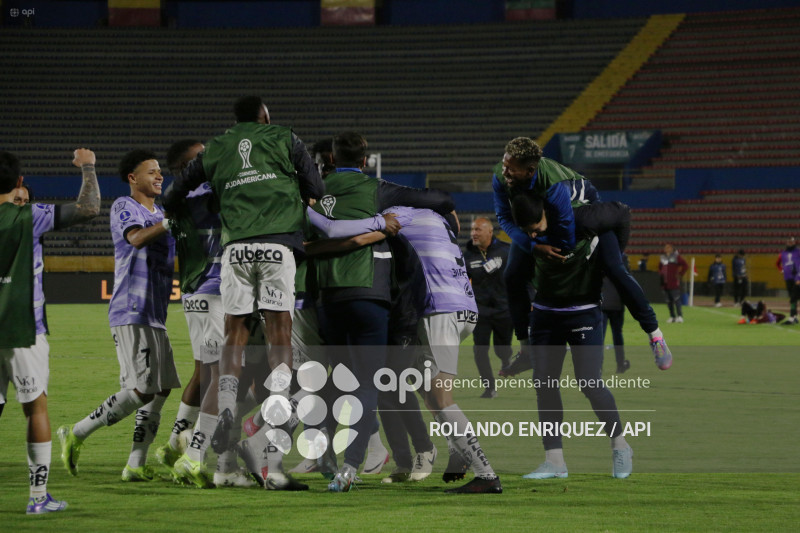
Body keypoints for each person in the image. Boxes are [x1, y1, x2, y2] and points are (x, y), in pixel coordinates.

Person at [162, 96, 325, 464]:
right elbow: (316, 189)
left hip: (235, 249)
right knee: (278, 333)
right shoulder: (285, 138)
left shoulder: (217, 147)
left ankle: (225, 412)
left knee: (233, 334)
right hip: (277, 245)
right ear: (264, 115)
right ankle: (280, 401)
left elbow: (176, 191)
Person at [310, 204, 503, 494]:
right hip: (464, 309)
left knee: (439, 395)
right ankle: (455, 451)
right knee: (427, 393)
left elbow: (356, 234)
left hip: (440, 309)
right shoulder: (439, 224)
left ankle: (485, 474)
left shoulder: (401, 215)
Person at [307, 131, 455, 492]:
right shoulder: (377, 189)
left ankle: (324, 453)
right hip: (368, 295)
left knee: (333, 382)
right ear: (364, 160)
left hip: (326, 298)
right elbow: (437, 198)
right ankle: (351, 466)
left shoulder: (316, 192)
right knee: (368, 383)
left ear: (330, 159)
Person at [495, 137, 671, 371]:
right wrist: (533, 246)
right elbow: (505, 218)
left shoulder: (559, 191)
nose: (504, 170)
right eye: (505, 164)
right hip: (543, 217)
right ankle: (526, 349)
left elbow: (569, 231)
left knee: (616, 271)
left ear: (529, 171)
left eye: (510, 168)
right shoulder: (501, 175)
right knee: (512, 276)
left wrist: (609, 255)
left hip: (581, 210)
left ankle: (655, 335)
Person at [59, 149, 179, 482]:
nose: (159, 176)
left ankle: (135, 465)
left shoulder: (164, 211)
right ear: (132, 178)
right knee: (142, 389)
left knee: (162, 388)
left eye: (160, 171)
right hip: (132, 308)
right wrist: (169, 223)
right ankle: (77, 432)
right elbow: (137, 238)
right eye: (151, 171)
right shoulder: (125, 207)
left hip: (155, 312)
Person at [1, 149, 99, 514]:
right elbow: (88, 208)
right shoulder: (31, 216)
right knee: (35, 410)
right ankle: (38, 497)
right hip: (25, 329)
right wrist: (87, 167)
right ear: (19, 182)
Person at [511, 192, 633, 480]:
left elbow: (622, 215)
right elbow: (517, 276)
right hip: (545, 313)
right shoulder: (528, 230)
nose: (532, 232)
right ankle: (554, 461)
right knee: (545, 384)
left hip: (584, 311)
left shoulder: (585, 220)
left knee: (589, 382)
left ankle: (620, 444)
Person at [463, 217, 512, 397]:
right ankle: (489, 387)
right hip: (480, 311)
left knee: (503, 348)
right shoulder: (467, 256)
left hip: (504, 309)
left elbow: (519, 276)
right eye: (472, 230)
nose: (473, 233)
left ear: (489, 232)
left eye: (478, 230)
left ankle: (506, 359)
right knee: (480, 349)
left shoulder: (507, 251)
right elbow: (462, 283)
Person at [601, 261, 630, 374]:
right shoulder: (622, 259)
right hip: (617, 303)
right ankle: (620, 364)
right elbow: (627, 281)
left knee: (599, 336)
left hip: (602, 301)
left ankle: (597, 367)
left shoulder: (599, 255)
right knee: (617, 335)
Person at [659, 244, 688, 323]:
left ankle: (680, 316)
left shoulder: (676, 257)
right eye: (665, 247)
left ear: (672, 249)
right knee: (668, 301)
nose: (666, 249)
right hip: (665, 283)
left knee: (676, 299)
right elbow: (660, 268)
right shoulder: (662, 257)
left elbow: (685, 265)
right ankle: (672, 316)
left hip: (673, 282)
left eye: (668, 247)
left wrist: (680, 274)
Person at [776, 236, 800, 324]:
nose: (790, 243)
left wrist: (798, 277)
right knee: (793, 298)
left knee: (793, 298)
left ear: (794, 242)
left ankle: (791, 318)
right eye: (789, 242)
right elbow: (777, 263)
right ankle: (795, 317)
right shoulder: (783, 253)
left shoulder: (798, 252)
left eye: (792, 242)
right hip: (788, 278)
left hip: (797, 278)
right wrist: (781, 270)